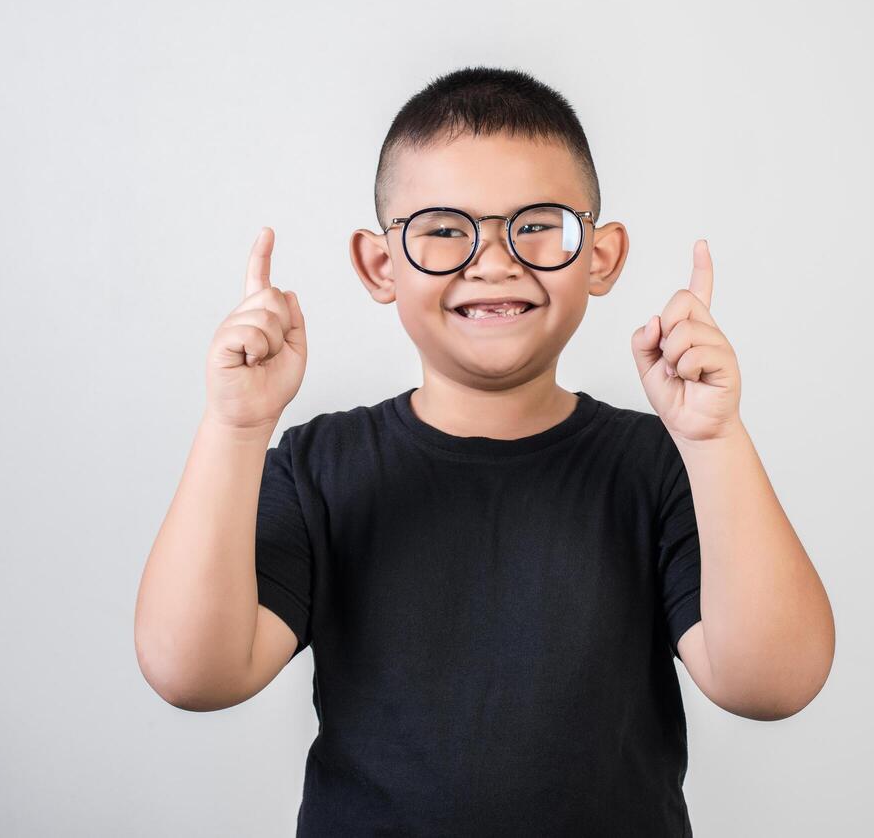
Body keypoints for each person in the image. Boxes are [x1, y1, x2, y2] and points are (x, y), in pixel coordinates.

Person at [134, 66, 835, 836]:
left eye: (537, 223)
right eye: (442, 228)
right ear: (379, 264)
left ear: (599, 255)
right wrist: (234, 429)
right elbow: (192, 674)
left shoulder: (662, 465)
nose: (493, 262)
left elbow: (773, 684)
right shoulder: (317, 468)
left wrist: (713, 437)